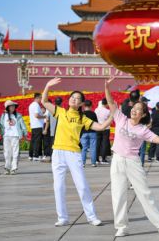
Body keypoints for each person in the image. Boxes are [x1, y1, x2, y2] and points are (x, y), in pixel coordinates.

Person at [104, 77, 159, 237]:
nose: (134, 110)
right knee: (118, 194)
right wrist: (107, 87)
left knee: (144, 193)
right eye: (134, 108)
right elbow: (111, 102)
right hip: (117, 160)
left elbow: (158, 139)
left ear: (143, 115)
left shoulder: (143, 129)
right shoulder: (121, 118)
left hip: (132, 163)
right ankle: (121, 226)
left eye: (138, 109)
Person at [42, 77, 115, 227]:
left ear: (82, 103)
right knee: (58, 186)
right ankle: (62, 217)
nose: (74, 100)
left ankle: (91, 216)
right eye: (73, 98)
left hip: (73, 153)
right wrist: (47, 86)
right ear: (69, 100)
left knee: (81, 185)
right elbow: (44, 101)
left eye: (78, 99)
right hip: (58, 152)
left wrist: (113, 115)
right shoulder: (60, 112)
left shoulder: (83, 118)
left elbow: (100, 127)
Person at [0, 100, 27, 175]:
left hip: (15, 135)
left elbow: (22, 125)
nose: (13, 107)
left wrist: (24, 133)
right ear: (7, 107)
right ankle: (7, 168)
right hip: (6, 136)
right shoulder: (3, 115)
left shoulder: (18, 115)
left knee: (15, 152)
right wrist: (1, 133)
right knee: (7, 153)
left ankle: (14, 168)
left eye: (14, 106)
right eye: (11, 106)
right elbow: (1, 125)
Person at [80, 100, 99, 167]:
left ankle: (82, 163)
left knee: (83, 148)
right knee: (93, 148)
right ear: (91, 106)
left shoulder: (82, 114)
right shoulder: (93, 113)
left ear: (84, 106)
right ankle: (93, 163)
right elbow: (96, 123)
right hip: (93, 132)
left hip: (84, 133)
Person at [28, 93, 46, 161]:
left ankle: (31, 155)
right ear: (37, 98)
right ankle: (36, 156)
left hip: (34, 125)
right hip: (38, 125)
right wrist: (44, 116)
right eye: (41, 98)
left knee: (33, 141)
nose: (41, 99)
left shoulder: (31, 105)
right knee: (37, 141)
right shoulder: (36, 105)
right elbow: (36, 115)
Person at [95, 98, 111, 164]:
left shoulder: (96, 110)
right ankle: (103, 159)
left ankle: (96, 159)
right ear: (106, 104)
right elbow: (110, 120)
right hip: (106, 128)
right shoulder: (107, 111)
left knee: (97, 143)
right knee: (105, 143)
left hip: (98, 127)